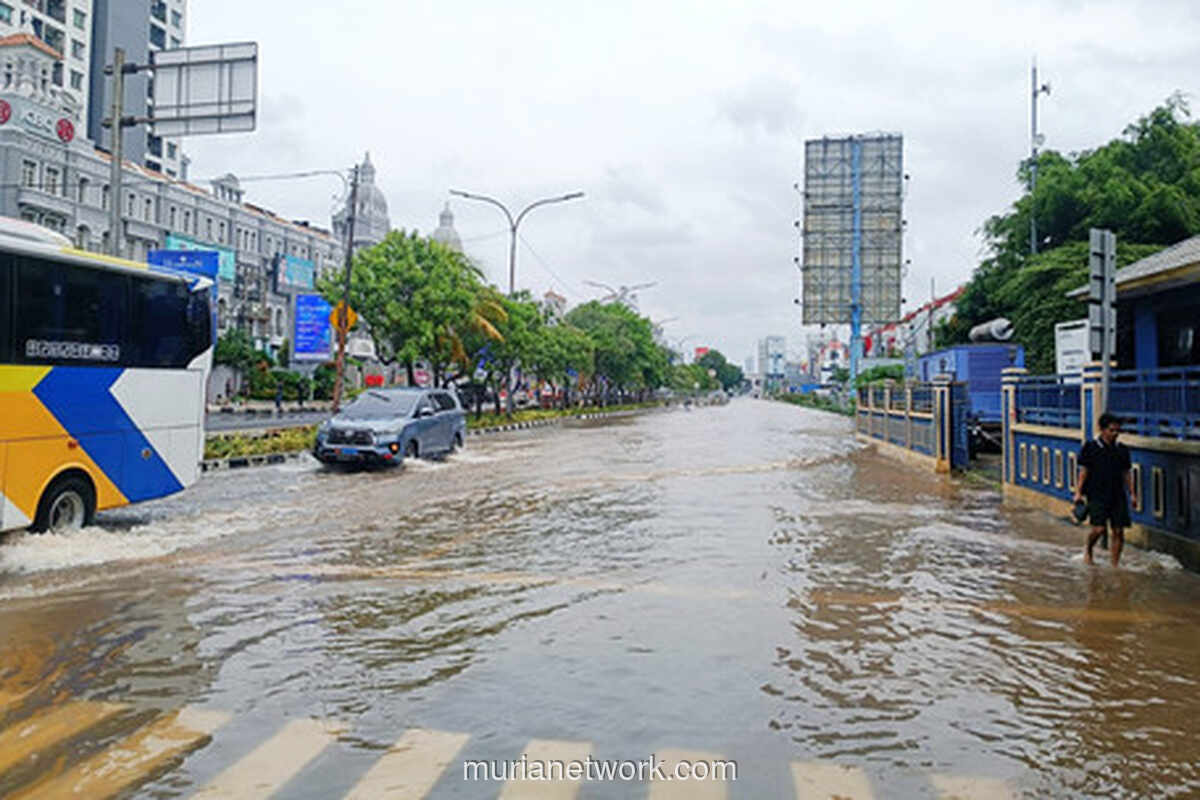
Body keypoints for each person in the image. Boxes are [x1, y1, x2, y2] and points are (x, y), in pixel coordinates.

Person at [1073, 412, 1133, 567]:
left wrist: (1132, 494)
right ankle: (1089, 550)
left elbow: (1126, 473)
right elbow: (1084, 471)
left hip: (1117, 494)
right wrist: (1078, 492)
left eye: (1117, 431)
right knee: (1098, 529)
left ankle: (1114, 564)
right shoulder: (1091, 447)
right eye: (1111, 430)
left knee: (1118, 531)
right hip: (1096, 494)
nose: (1115, 434)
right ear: (1102, 430)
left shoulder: (1122, 450)